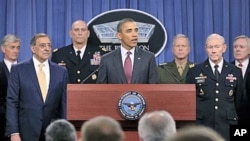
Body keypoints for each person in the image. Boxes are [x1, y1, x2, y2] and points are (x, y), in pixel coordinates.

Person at [5, 33, 68, 141]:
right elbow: (12, 102)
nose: (47, 49)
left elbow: (64, 104)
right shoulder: (18, 70)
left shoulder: (61, 72)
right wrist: (14, 132)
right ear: (33, 49)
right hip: (26, 132)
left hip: (53, 132)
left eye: (49, 45)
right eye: (42, 45)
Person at [186, 33, 244, 141]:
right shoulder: (195, 71)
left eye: (217, 47)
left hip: (227, 125)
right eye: (210, 47)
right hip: (203, 125)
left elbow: (239, 100)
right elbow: (189, 101)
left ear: (224, 48)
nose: (213, 51)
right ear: (206, 49)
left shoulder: (235, 71)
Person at [96, 18, 159, 84]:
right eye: (129, 31)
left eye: (136, 30)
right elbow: (101, 89)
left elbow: (154, 87)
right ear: (119, 35)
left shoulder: (148, 58)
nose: (134, 34)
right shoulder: (107, 60)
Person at [51, 20, 106, 84]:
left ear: (88, 34)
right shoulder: (59, 54)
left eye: (83, 30)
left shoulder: (102, 53)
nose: (80, 33)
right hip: (67, 93)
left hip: (93, 93)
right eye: (76, 30)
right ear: (70, 34)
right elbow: (54, 80)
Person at [0, 34, 21, 141]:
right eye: (12, 47)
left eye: (18, 47)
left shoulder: (26, 70)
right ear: (3, 49)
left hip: (23, 124)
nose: (15, 51)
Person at [231, 35, 250, 125]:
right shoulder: (226, 68)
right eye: (235, 47)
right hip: (231, 117)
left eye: (241, 47)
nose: (237, 49)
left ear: (249, 50)